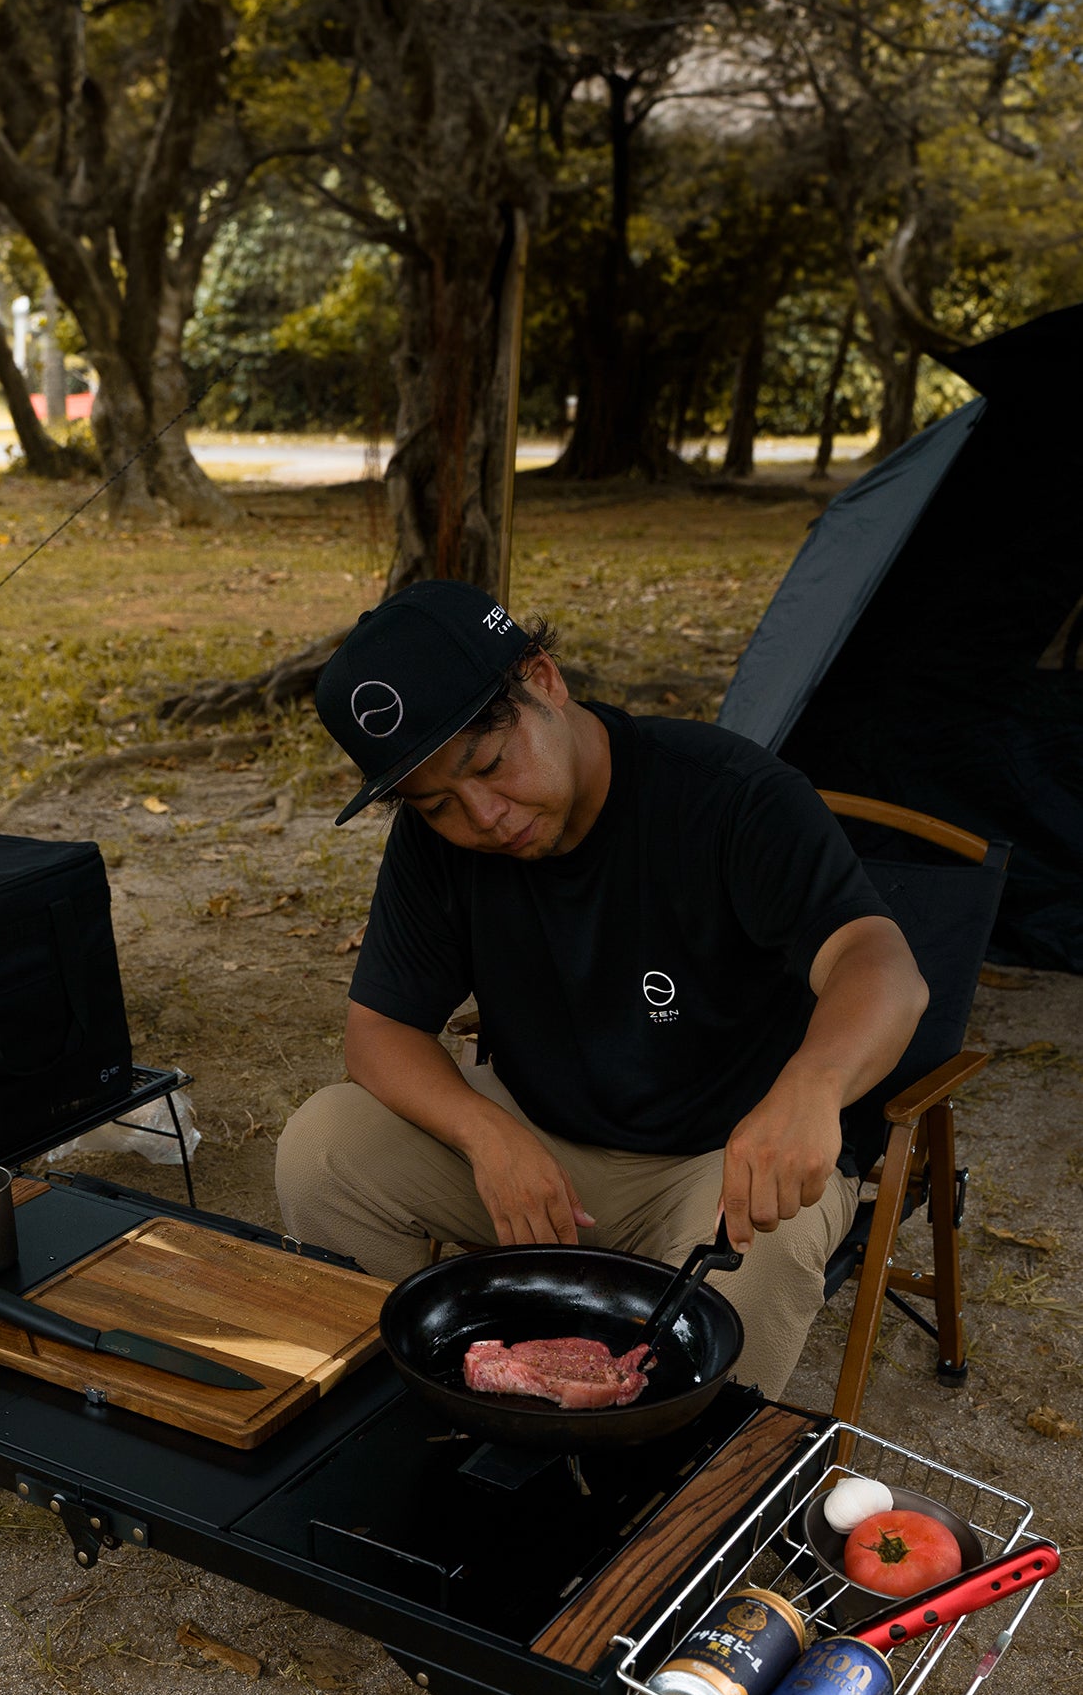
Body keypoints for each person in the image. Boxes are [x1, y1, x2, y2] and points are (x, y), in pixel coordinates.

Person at [274, 579, 930, 1398]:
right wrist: (485, 1133)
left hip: (722, 1162)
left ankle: (679, 1494)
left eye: (490, 763)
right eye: (438, 802)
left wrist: (814, 1084)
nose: (482, 817)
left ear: (543, 678)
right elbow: (377, 1030)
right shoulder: (435, 844)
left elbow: (879, 962)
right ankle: (415, 1406)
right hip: (541, 1147)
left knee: (771, 1254)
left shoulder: (726, 796)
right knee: (322, 1150)